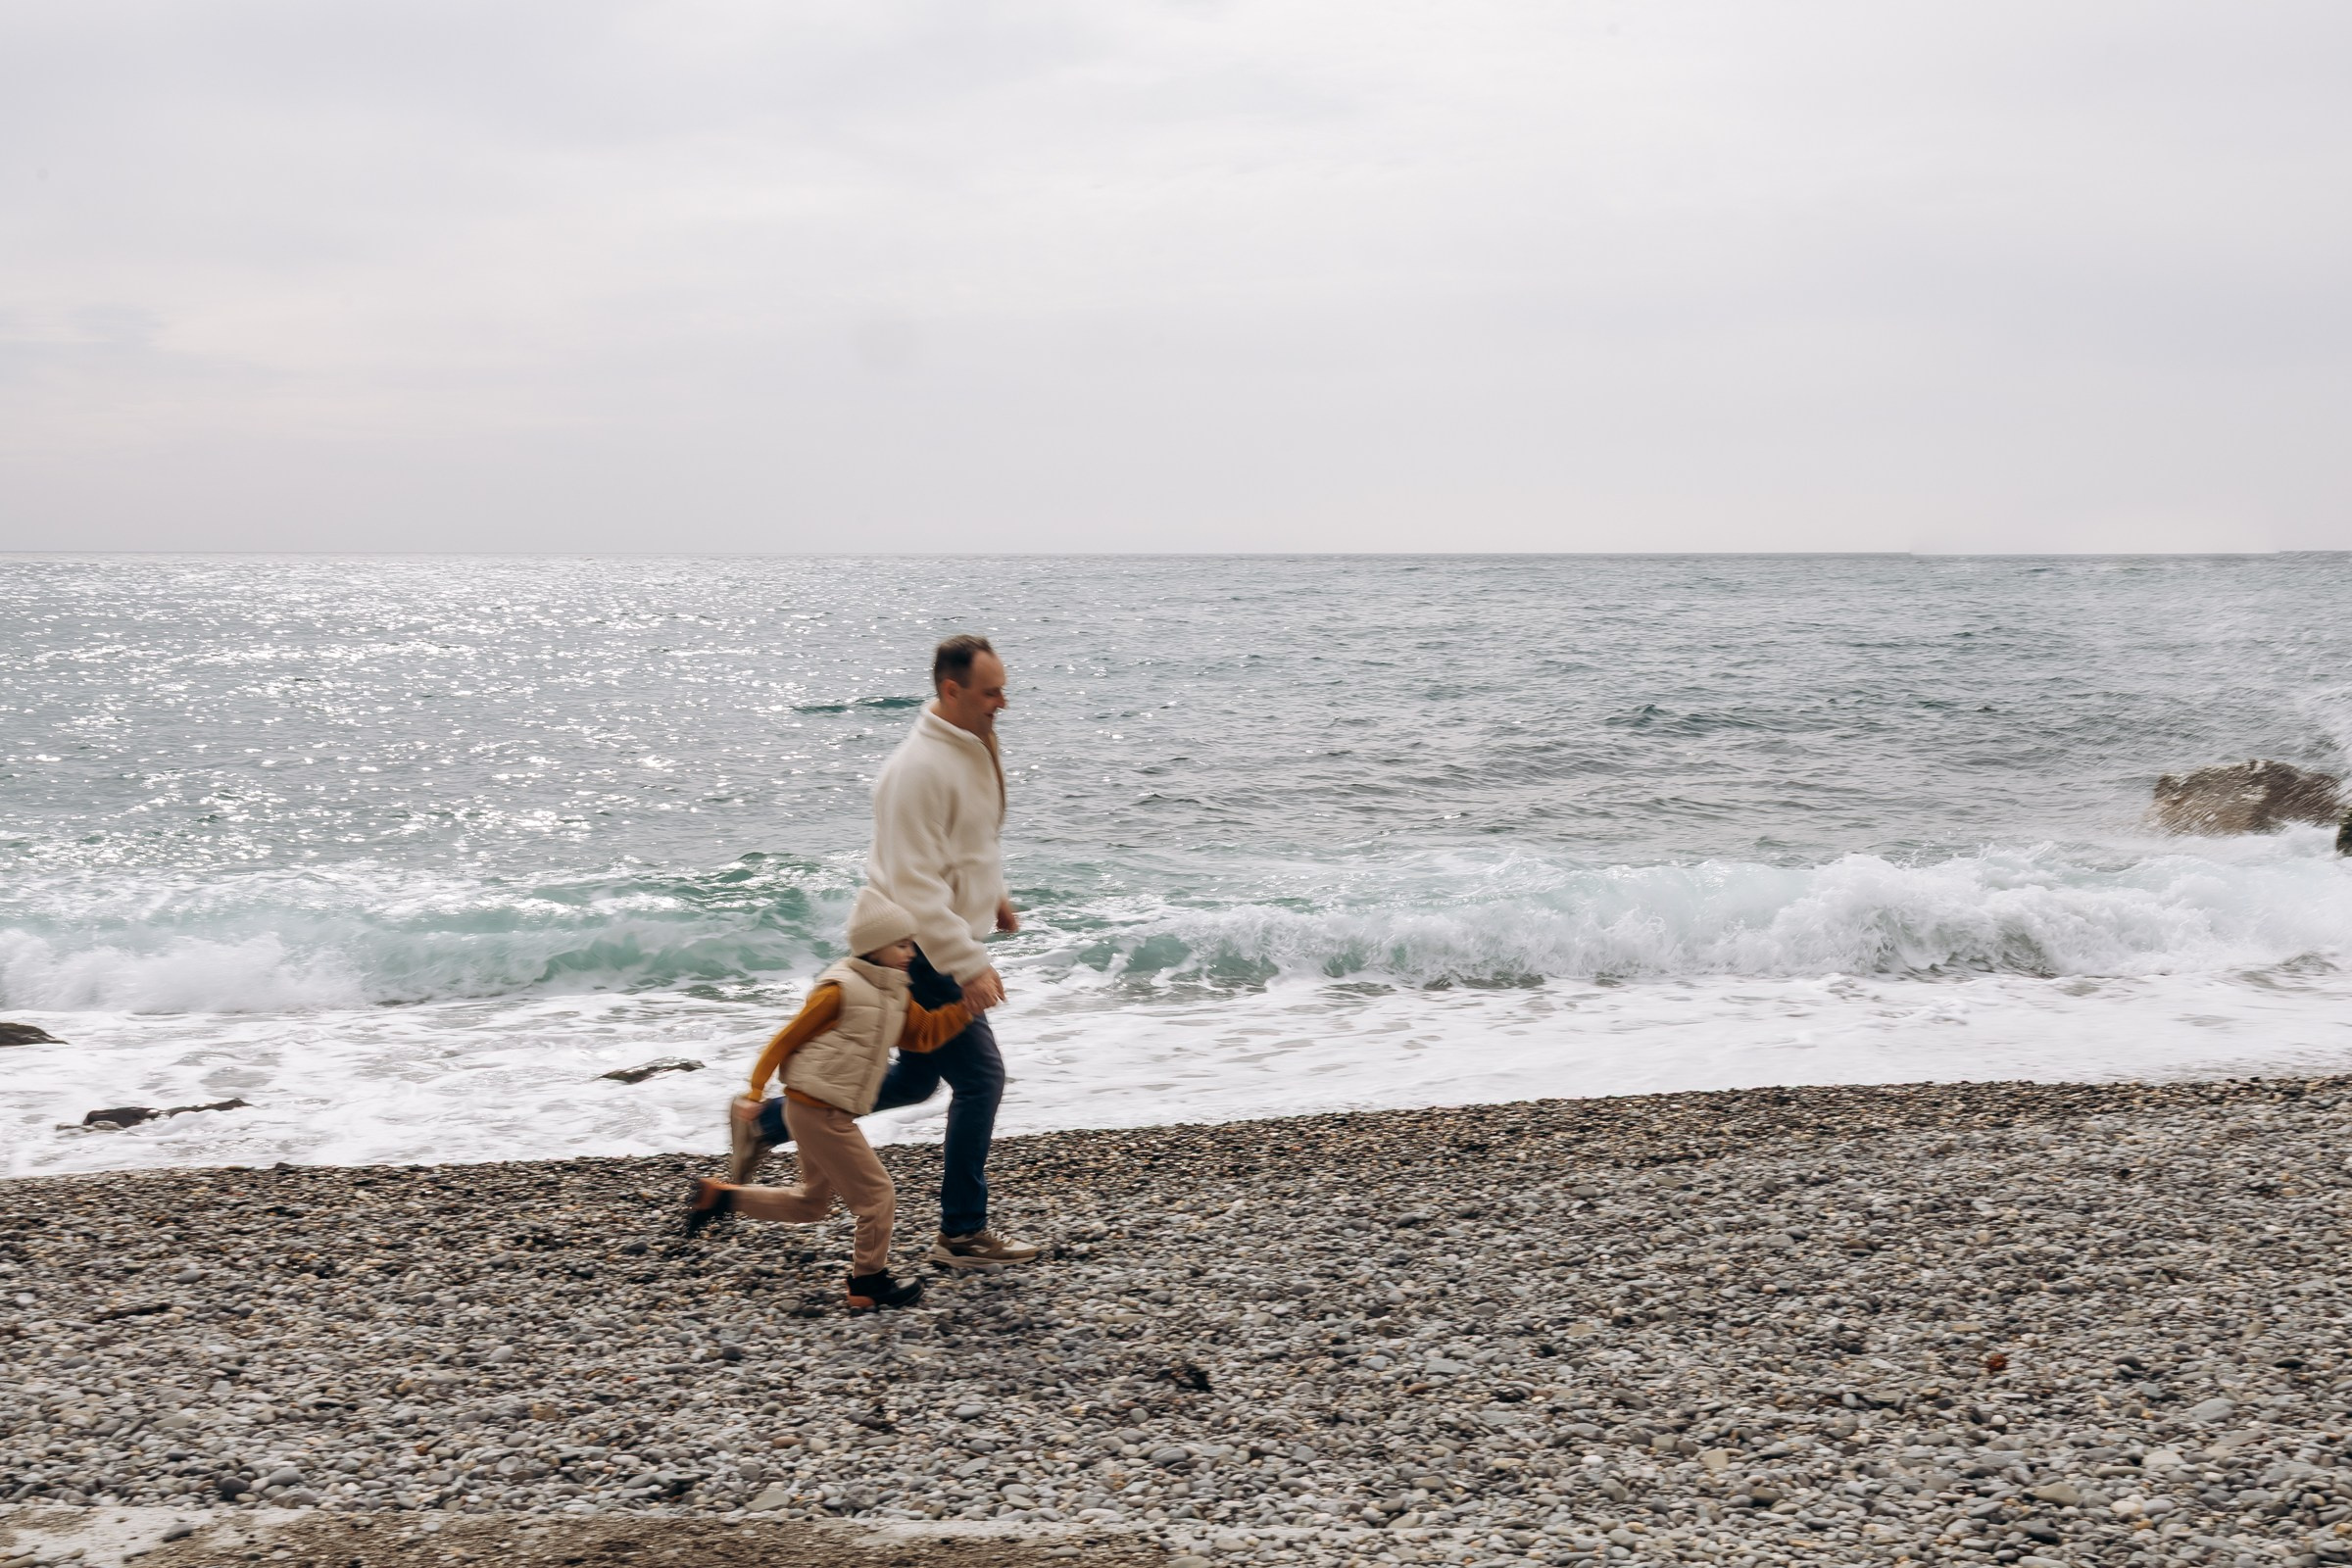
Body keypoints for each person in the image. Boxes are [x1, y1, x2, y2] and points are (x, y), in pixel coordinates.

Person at [737, 634, 1040, 1271]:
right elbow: (914, 886)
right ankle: (961, 1234)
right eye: (990, 692)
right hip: (920, 951)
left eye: (1003, 689)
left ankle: (768, 1124)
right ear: (951, 691)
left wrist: (993, 899)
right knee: (981, 1081)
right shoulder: (916, 771)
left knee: (916, 1078)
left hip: (938, 939)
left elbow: (964, 847)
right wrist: (970, 965)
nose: (1003, 702)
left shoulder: (970, 744)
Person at [684, 888, 984, 1312]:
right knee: (878, 1198)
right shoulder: (839, 989)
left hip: (822, 1111)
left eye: (911, 942)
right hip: (818, 1111)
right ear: (874, 947)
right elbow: (784, 1041)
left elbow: (923, 1036)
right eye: (901, 943)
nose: (910, 951)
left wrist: (966, 1007)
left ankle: (719, 1196)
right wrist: (754, 1093)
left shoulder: (895, 991)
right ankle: (868, 1283)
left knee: (811, 1203)